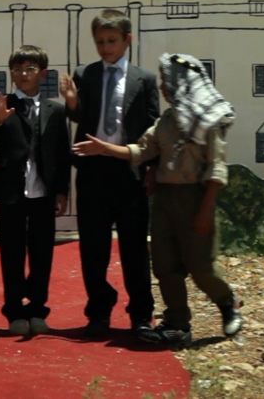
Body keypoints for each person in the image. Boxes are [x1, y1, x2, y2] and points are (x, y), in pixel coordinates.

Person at [73, 53, 244, 348]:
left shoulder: (208, 122)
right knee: (165, 265)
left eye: (167, 81)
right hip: (166, 199)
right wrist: (105, 148)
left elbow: (217, 170)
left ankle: (228, 302)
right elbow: (141, 151)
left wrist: (206, 209)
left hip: (195, 197)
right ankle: (178, 324)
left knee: (201, 265)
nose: (163, 87)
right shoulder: (166, 122)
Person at [58, 9, 159, 341]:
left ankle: (141, 315)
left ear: (127, 40)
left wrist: (152, 169)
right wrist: (71, 102)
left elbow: (153, 127)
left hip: (129, 170)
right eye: (100, 42)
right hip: (92, 170)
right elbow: (78, 117)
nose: (105, 48)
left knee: (134, 247)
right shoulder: (85, 74)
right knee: (93, 247)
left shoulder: (144, 79)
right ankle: (99, 311)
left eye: (112, 41)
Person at [0, 46, 71, 336]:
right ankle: (14, 311)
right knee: (12, 253)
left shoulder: (56, 110)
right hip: (12, 191)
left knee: (42, 254)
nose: (23, 74)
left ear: (42, 73)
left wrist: (62, 190)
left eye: (30, 69)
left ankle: (38, 310)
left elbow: (62, 153)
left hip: (43, 192)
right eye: (17, 69)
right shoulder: (4, 103)